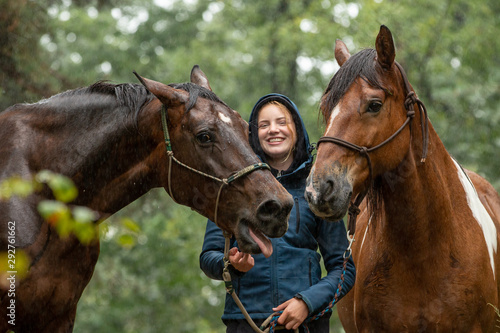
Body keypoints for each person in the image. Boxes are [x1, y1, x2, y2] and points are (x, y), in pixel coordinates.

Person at [199, 94, 356, 333]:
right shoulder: (233, 189)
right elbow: (207, 257)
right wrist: (229, 264)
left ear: (297, 130)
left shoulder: (317, 189)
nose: (273, 130)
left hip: (307, 324)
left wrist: (307, 302)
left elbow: (344, 270)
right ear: (253, 135)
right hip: (245, 322)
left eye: (281, 122)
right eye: (264, 125)